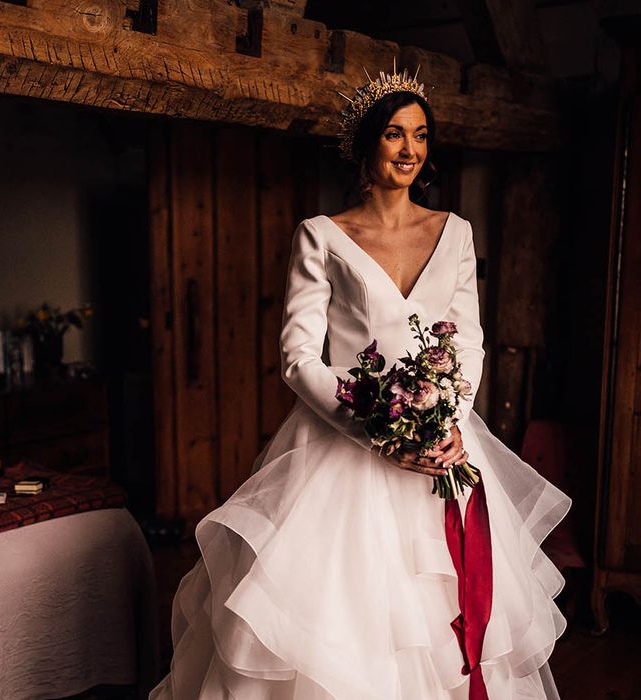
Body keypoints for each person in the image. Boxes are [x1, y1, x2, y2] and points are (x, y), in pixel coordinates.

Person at [149, 66, 571, 700]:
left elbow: (469, 341)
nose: (410, 150)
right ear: (366, 144)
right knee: (342, 625)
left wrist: (445, 425)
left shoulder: (455, 234)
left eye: (421, 135)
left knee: (443, 623)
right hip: (345, 446)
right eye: (396, 134)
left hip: (443, 450)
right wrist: (377, 433)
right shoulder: (321, 236)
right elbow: (299, 359)